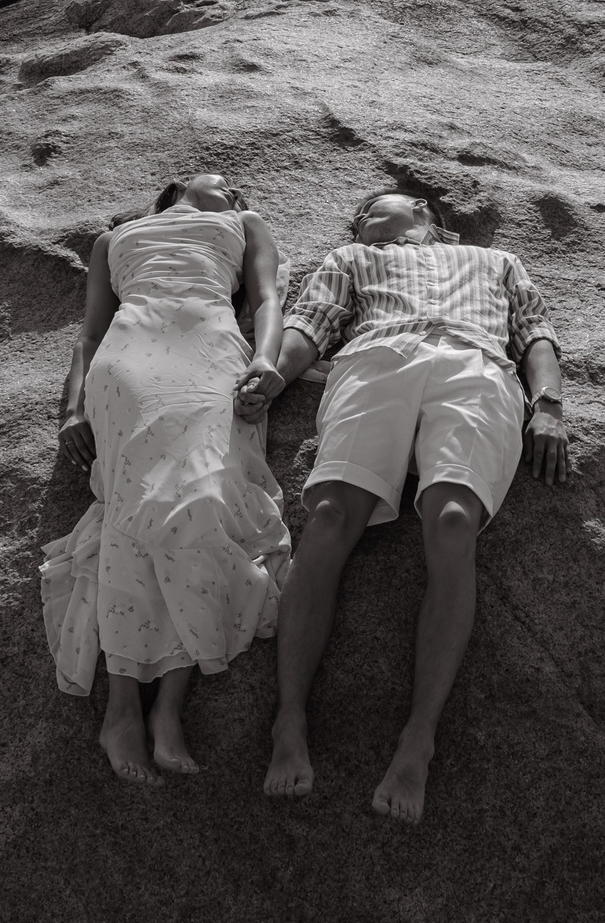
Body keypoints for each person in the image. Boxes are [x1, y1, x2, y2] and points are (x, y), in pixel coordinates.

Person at [243, 191, 569, 823]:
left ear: (423, 209)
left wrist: (549, 405)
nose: (360, 218)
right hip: (376, 357)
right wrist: (273, 377)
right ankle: (289, 718)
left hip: (475, 363)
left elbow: (535, 331)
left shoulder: (495, 258)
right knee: (332, 514)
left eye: (371, 208)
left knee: (452, 523)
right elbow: (308, 327)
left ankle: (419, 738)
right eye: (357, 215)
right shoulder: (352, 257)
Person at [43, 173, 292, 786]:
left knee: (200, 501)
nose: (236, 190)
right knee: (134, 508)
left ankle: (170, 709)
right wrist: (72, 410)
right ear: (176, 187)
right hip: (129, 355)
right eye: (225, 180)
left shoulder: (246, 223)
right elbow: (90, 333)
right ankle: (125, 709)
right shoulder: (115, 238)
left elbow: (264, 301)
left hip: (209, 349)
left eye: (239, 189)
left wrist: (266, 358)